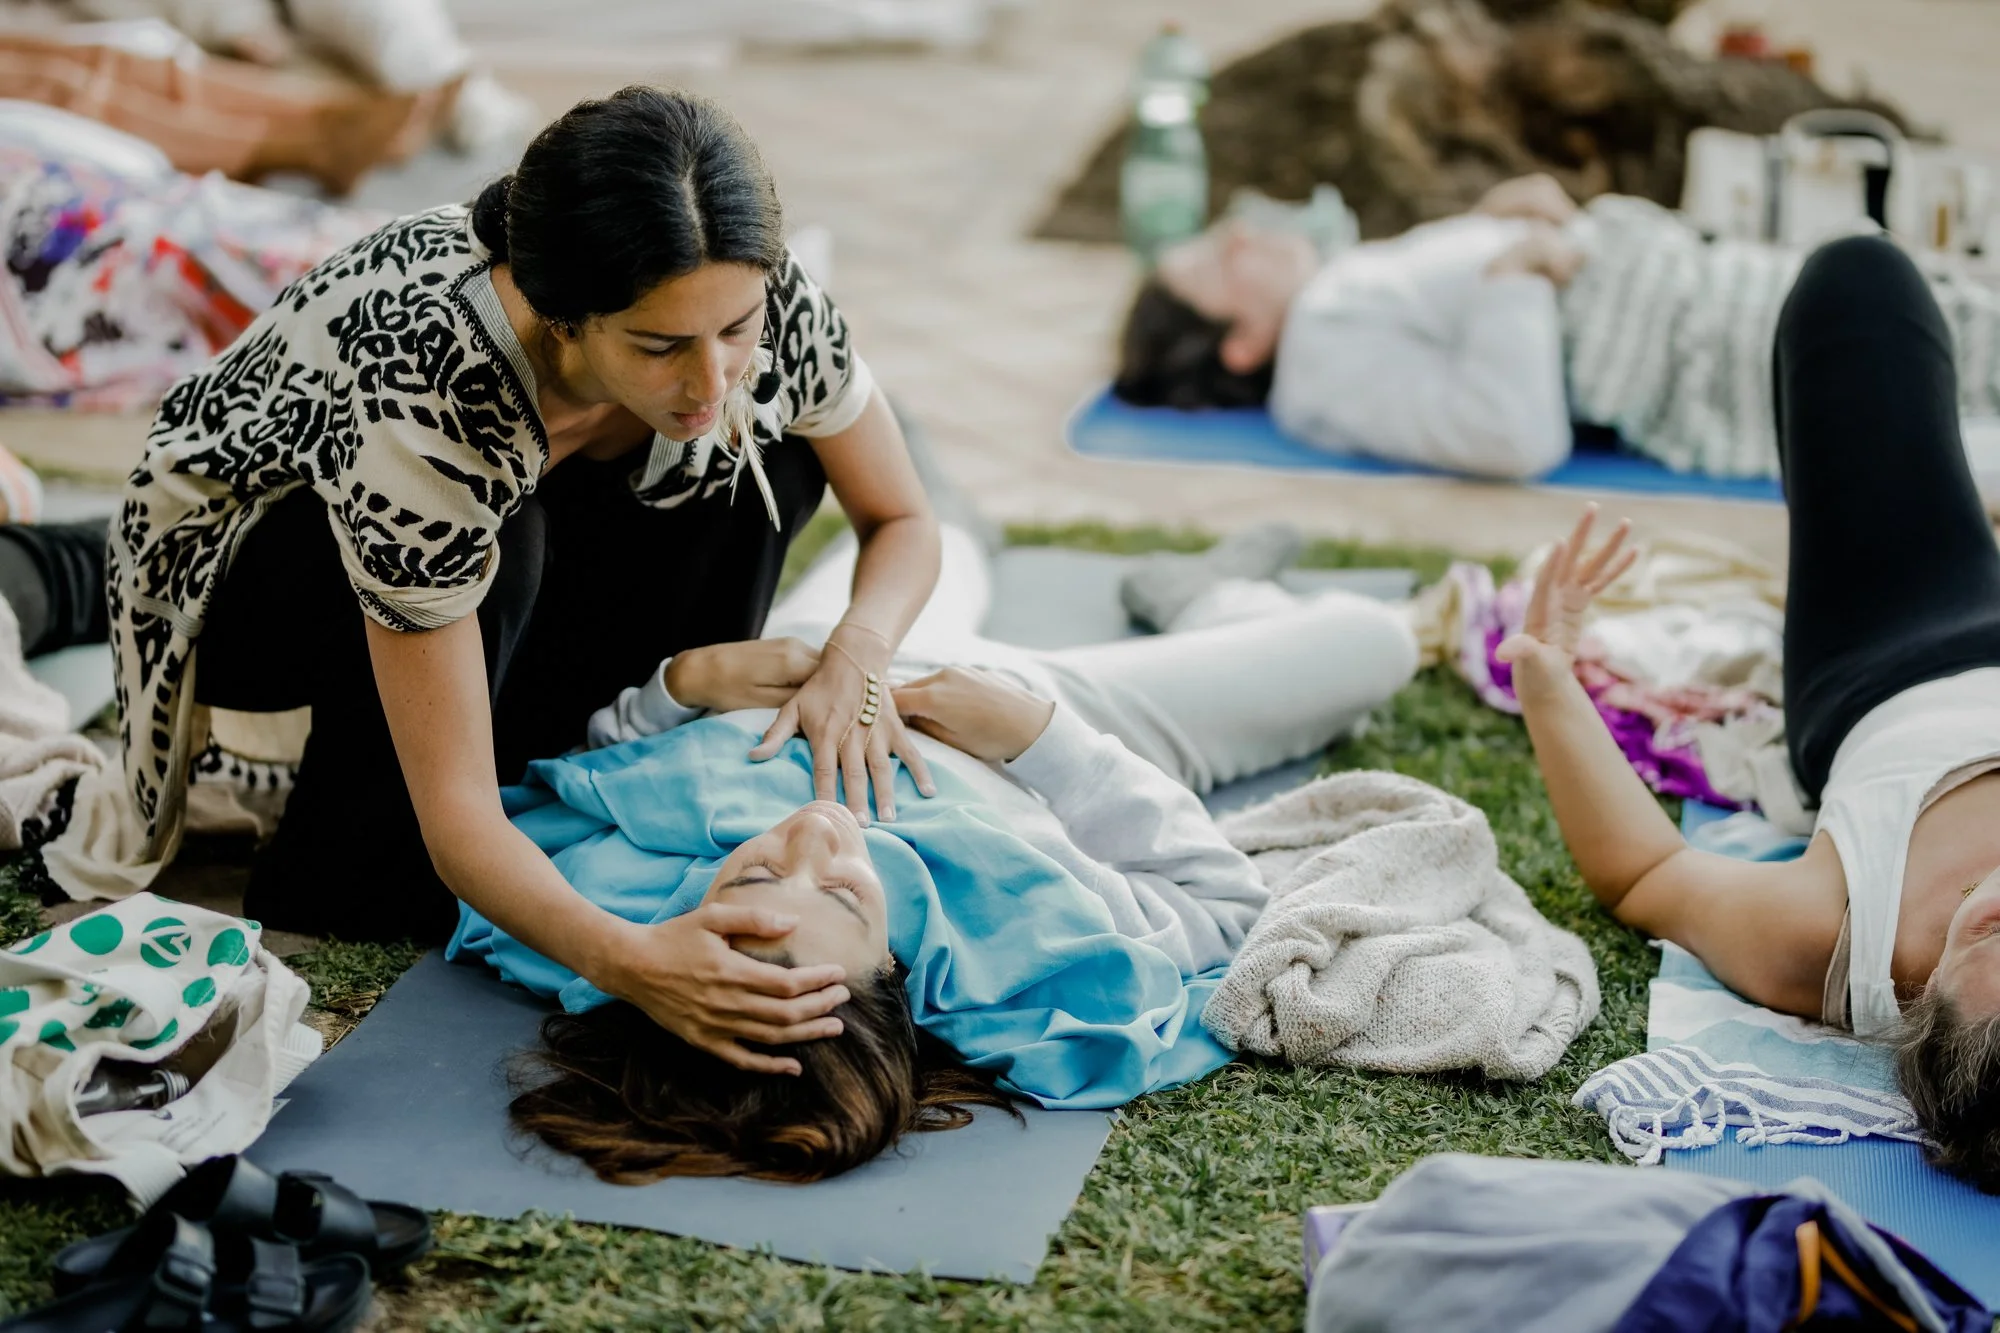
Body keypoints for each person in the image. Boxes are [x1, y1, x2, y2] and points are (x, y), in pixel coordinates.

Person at [78, 87, 946, 1081]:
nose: (710, 378)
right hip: (257, 581)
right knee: (402, 863)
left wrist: (858, 655)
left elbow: (903, 520)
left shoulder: (758, 299)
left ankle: (603, 757)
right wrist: (630, 962)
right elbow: (459, 822)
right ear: (561, 320)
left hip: (513, 528)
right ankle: (350, 845)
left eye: (733, 330)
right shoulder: (428, 376)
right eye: (660, 346)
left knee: (766, 449)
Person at [456, 517, 1421, 1180]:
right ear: (890, 966)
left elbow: (593, 768)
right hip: (1043, 710)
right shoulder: (1017, 942)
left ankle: (925, 464)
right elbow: (1225, 901)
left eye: (752, 869)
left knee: (929, 526)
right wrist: (1040, 737)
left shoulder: (616, 899)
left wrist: (685, 683)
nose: (812, 834)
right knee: (1373, 641)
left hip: (832, 650)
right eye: (841, 893)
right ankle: (1208, 595)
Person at [1501, 235, 2000, 1191]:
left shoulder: (1826, 936)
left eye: (1987, 930)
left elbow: (1646, 873)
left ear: (1924, 1003)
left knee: (1858, 284)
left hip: (1902, 643)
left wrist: (1549, 680)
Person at [1114, 174, 2000, 482]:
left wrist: (1486, 227)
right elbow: (1507, 432)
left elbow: (1443, 315)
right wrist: (1515, 271)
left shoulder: (1334, 304)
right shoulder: (1320, 362)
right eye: (1217, 261)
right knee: (1929, 337)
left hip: (1705, 296)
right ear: (1240, 342)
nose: (1241, 233)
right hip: (1704, 345)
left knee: (1935, 309)